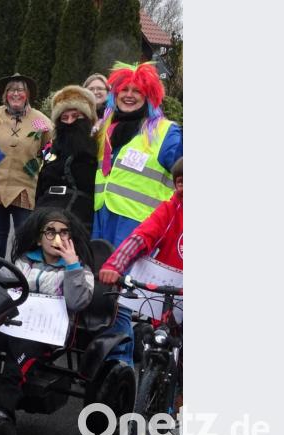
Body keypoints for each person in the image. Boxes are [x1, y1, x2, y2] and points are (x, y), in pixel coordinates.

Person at [92, 61, 183, 366]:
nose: (129, 95)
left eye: (137, 90)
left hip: (138, 229)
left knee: (120, 298)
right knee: (99, 294)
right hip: (102, 221)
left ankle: (120, 368)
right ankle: (110, 358)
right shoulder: (108, 127)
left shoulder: (165, 132)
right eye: (124, 89)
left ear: (150, 96)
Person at [0, 207, 94, 412]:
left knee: (13, 370)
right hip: (15, 324)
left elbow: (77, 303)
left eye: (64, 232)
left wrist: (72, 266)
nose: (57, 238)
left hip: (47, 333)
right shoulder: (25, 261)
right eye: (50, 232)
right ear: (39, 239)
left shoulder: (80, 269)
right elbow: (3, 276)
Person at [0, 73, 52, 265]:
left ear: (27, 94)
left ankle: (23, 276)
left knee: (26, 235)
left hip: (26, 187)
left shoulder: (40, 121)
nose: (16, 94)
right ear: (5, 94)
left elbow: (51, 149)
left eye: (20, 90)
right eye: (11, 90)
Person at [99, 157, 182, 285]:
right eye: (181, 182)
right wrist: (114, 266)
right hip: (162, 293)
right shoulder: (169, 210)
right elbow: (141, 237)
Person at [35, 85, 99, 231]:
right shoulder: (52, 150)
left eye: (76, 116)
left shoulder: (99, 150)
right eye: (64, 118)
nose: (70, 122)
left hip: (81, 221)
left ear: (88, 118)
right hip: (44, 217)